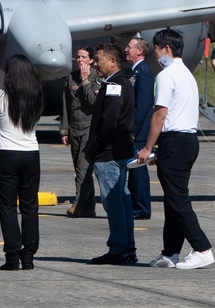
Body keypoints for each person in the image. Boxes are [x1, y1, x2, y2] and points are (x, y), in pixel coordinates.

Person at [137, 27, 214, 270]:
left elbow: (160, 115)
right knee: (173, 199)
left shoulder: (166, 75)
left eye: (157, 49)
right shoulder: (186, 74)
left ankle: (202, 248)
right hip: (187, 141)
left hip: (175, 141)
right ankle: (170, 252)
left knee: (178, 199)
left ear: (166, 49)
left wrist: (147, 146)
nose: (155, 54)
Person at [0, 54, 44, 269]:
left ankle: (11, 255)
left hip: (7, 153)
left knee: (8, 205)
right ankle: (28, 256)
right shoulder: (35, 95)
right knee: (30, 206)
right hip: (31, 152)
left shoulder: (0, 96)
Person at [86, 43, 137, 265]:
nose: (95, 64)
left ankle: (119, 248)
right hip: (118, 151)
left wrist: (94, 147)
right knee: (122, 201)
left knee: (114, 203)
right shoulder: (119, 82)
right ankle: (126, 247)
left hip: (109, 153)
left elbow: (109, 122)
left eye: (98, 60)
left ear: (112, 61)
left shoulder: (115, 85)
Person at [60, 47, 99, 217]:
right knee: (79, 167)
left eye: (84, 57)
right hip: (74, 127)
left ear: (91, 60)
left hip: (89, 128)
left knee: (83, 168)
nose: (80, 60)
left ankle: (78, 203)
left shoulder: (97, 77)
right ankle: (89, 206)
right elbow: (66, 105)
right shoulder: (71, 77)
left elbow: (94, 102)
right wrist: (64, 129)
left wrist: (85, 81)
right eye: (78, 57)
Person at [125, 36, 155, 218]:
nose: (126, 49)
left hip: (140, 131)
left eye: (129, 47)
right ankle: (135, 205)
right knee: (133, 171)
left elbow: (143, 105)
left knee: (138, 171)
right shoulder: (134, 71)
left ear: (139, 51)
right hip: (135, 130)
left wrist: (134, 129)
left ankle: (142, 209)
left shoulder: (143, 72)